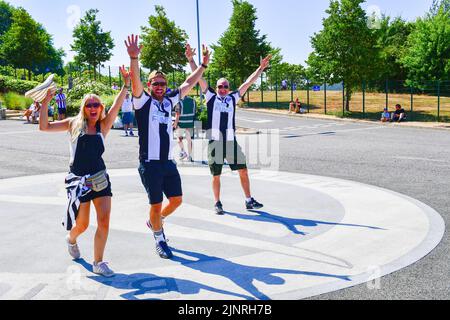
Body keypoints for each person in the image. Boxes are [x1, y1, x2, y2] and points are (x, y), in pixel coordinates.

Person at [38, 66, 132, 277]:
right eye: (89, 105)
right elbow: (44, 126)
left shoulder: (103, 126)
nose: (92, 108)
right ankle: (71, 239)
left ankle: (98, 263)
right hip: (78, 181)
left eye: (96, 105)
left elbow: (117, 106)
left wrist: (126, 85)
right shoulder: (73, 124)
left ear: (100, 108)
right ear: (83, 108)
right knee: (82, 224)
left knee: (104, 220)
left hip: (99, 179)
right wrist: (45, 102)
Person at [125, 34, 210, 259]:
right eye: (156, 83)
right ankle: (159, 238)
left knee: (177, 200)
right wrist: (134, 58)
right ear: (150, 85)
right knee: (156, 204)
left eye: (163, 83)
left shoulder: (171, 100)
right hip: (150, 164)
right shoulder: (143, 101)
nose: (160, 87)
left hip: (167, 163)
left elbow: (189, 83)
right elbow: (135, 83)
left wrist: (202, 65)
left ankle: (155, 222)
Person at [186, 44, 271, 215]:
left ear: (229, 88)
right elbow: (198, 77)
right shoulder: (210, 96)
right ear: (216, 89)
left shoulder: (233, 98)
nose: (223, 89)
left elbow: (249, 82)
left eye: (225, 86)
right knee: (216, 175)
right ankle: (217, 202)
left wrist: (260, 69)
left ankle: (249, 200)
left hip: (231, 140)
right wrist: (191, 59)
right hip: (215, 140)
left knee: (243, 169)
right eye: (220, 87)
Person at [174, 96, 196, 162]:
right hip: (190, 123)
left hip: (181, 123)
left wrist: (175, 123)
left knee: (179, 139)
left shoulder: (179, 102)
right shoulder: (193, 101)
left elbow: (177, 114)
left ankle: (183, 152)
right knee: (189, 140)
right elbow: (194, 112)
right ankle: (190, 156)